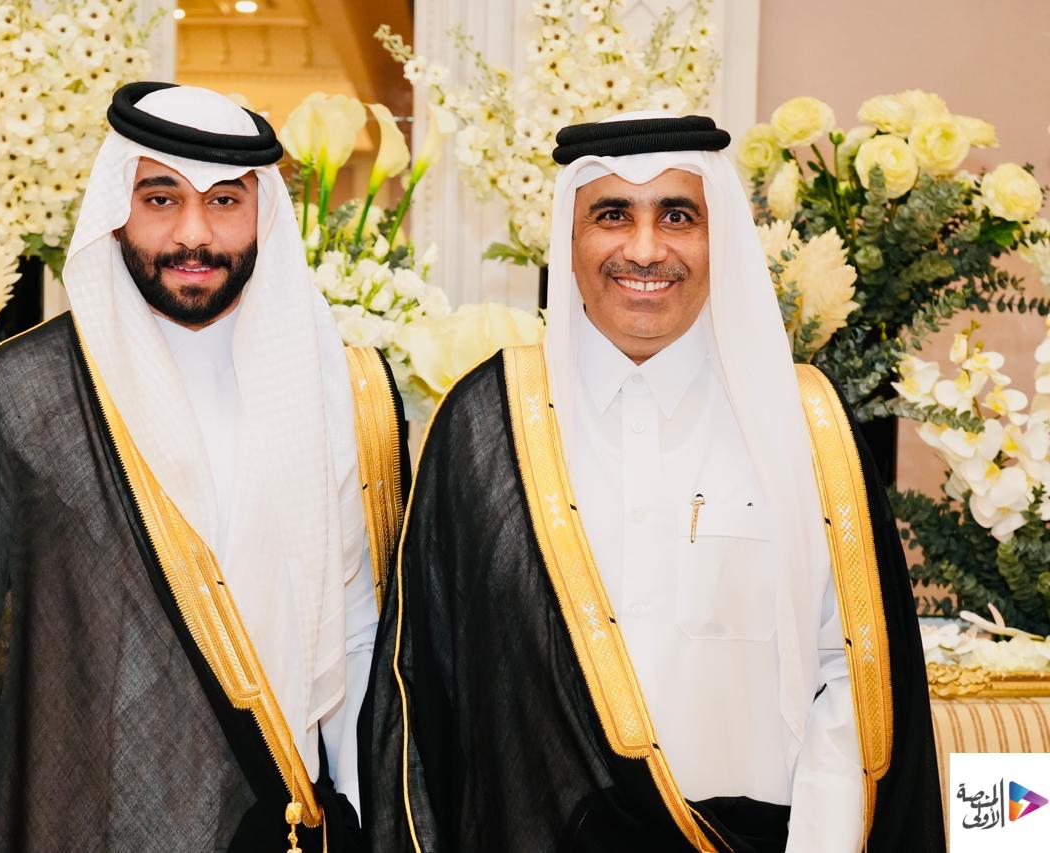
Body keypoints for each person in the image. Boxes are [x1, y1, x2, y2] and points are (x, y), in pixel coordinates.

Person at [0, 82, 407, 852]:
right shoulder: (22, 399)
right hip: (82, 824)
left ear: (264, 213)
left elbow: (358, 639)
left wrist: (364, 821)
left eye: (224, 201)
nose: (193, 233)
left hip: (278, 822)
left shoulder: (340, 393)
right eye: (161, 198)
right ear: (118, 206)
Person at [362, 113, 943, 852]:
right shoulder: (488, 422)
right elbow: (426, 690)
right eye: (612, 215)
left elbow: (853, 675)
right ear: (570, 241)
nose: (645, 248)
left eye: (678, 216)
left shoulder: (805, 427)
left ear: (718, 235)